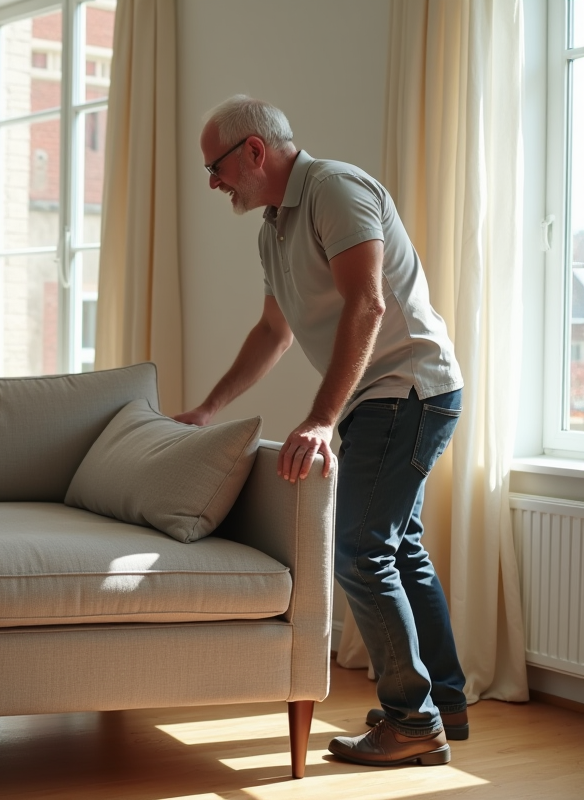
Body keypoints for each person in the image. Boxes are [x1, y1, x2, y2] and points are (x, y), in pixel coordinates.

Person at [175, 95, 468, 767]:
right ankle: (441, 703)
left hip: (408, 389)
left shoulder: (337, 189)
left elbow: (368, 301)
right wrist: (207, 410)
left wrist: (321, 418)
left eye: (215, 167)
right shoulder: (272, 227)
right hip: (388, 395)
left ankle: (412, 720)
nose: (213, 182)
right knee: (398, 550)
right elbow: (274, 333)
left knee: (361, 551)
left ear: (254, 150)